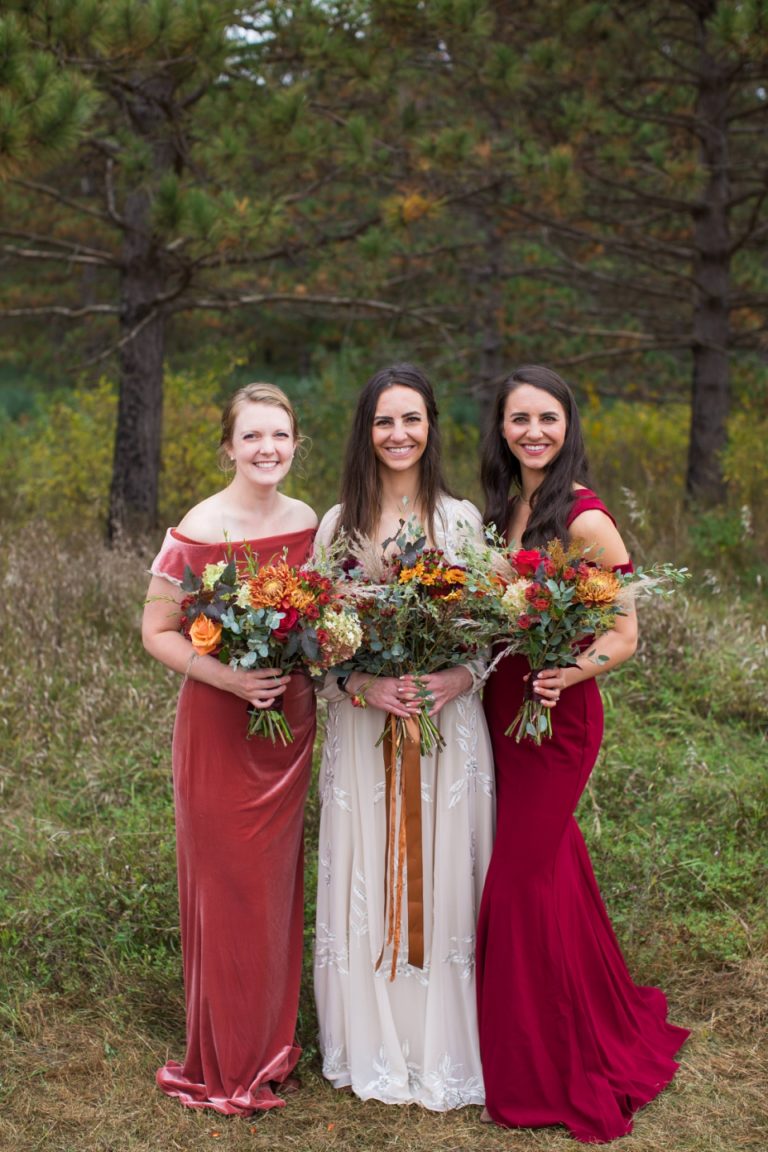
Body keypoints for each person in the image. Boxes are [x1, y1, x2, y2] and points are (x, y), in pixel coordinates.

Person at [475, 365, 689, 1143]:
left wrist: (570, 670)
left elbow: (625, 635)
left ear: (569, 427)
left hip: (555, 712)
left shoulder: (587, 518)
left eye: (548, 419)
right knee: (554, 869)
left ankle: (544, 1062)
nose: (534, 431)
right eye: (519, 418)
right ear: (501, 428)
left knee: (520, 882)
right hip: (503, 707)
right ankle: (593, 1012)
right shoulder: (503, 507)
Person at [313, 363, 495, 1110]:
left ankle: (445, 1045)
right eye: (385, 421)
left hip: (446, 727)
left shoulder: (462, 521)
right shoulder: (337, 526)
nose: (398, 434)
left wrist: (457, 678)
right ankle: (375, 1042)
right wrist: (362, 684)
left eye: (411, 419)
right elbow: (315, 645)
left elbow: (490, 636)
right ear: (367, 430)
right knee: (369, 877)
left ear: (430, 428)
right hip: (366, 732)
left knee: (444, 877)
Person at [142, 383, 317, 1115]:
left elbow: (318, 612)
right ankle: (223, 1059)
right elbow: (156, 631)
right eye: (252, 437)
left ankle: (269, 1048)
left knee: (274, 888)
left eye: (279, 435)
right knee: (226, 887)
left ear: (296, 444)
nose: (267, 449)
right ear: (229, 446)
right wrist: (230, 678)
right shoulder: (197, 527)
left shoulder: (309, 521)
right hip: (219, 722)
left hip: (288, 721)